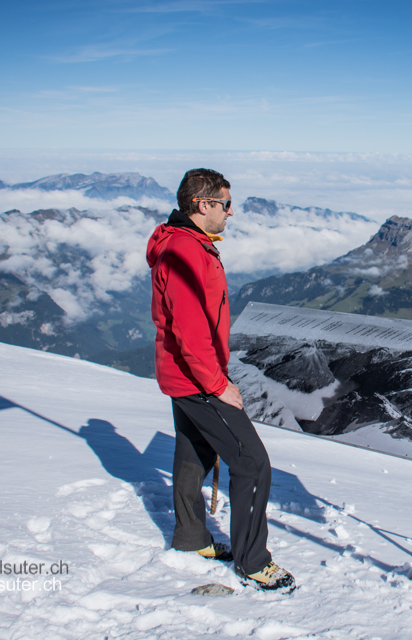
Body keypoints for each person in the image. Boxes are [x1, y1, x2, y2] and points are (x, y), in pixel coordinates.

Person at [146, 168, 294, 591]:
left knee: (194, 450)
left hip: (183, 375)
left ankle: (191, 538)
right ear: (203, 205)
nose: (231, 213)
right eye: (226, 204)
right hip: (196, 379)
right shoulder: (185, 251)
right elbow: (190, 330)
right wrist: (217, 384)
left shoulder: (185, 243)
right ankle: (252, 561)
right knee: (252, 461)